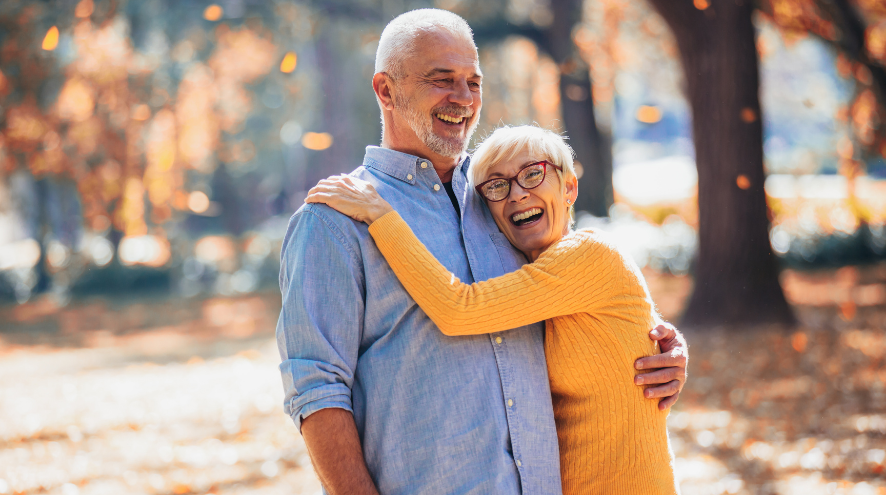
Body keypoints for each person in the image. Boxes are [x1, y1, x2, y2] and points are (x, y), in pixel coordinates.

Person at [276, 9, 688, 494]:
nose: (463, 98)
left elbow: (575, 304)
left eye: (473, 81)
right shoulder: (334, 219)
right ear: (386, 91)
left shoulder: (505, 202)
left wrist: (657, 346)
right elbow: (317, 391)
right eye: (442, 79)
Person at [306, 125, 679, 494]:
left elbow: (459, 309)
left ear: (568, 188)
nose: (517, 194)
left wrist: (380, 215)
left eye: (533, 174)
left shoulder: (591, 254)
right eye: (497, 186)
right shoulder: (528, 278)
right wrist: (668, 344)